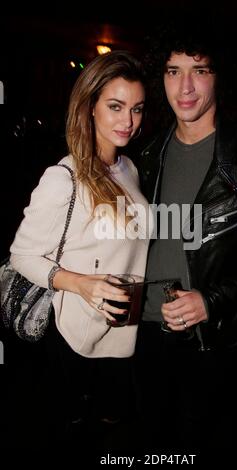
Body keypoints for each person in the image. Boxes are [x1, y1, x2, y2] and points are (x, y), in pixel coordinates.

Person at [134, 24, 237, 452]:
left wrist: (212, 300)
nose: (184, 87)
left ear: (220, 76)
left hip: (215, 340)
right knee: (151, 445)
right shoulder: (146, 155)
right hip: (144, 332)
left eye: (199, 70)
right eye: (172, 70)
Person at [8, 50, 151, 443]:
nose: (128, 121)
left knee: (114, 428)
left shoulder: (129, 167)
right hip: (72, 335)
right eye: (116, 106)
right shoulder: (64, 177)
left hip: (121, 330)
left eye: (137, 109)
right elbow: (21, 255)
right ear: (90, 107)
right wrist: (80, 283)